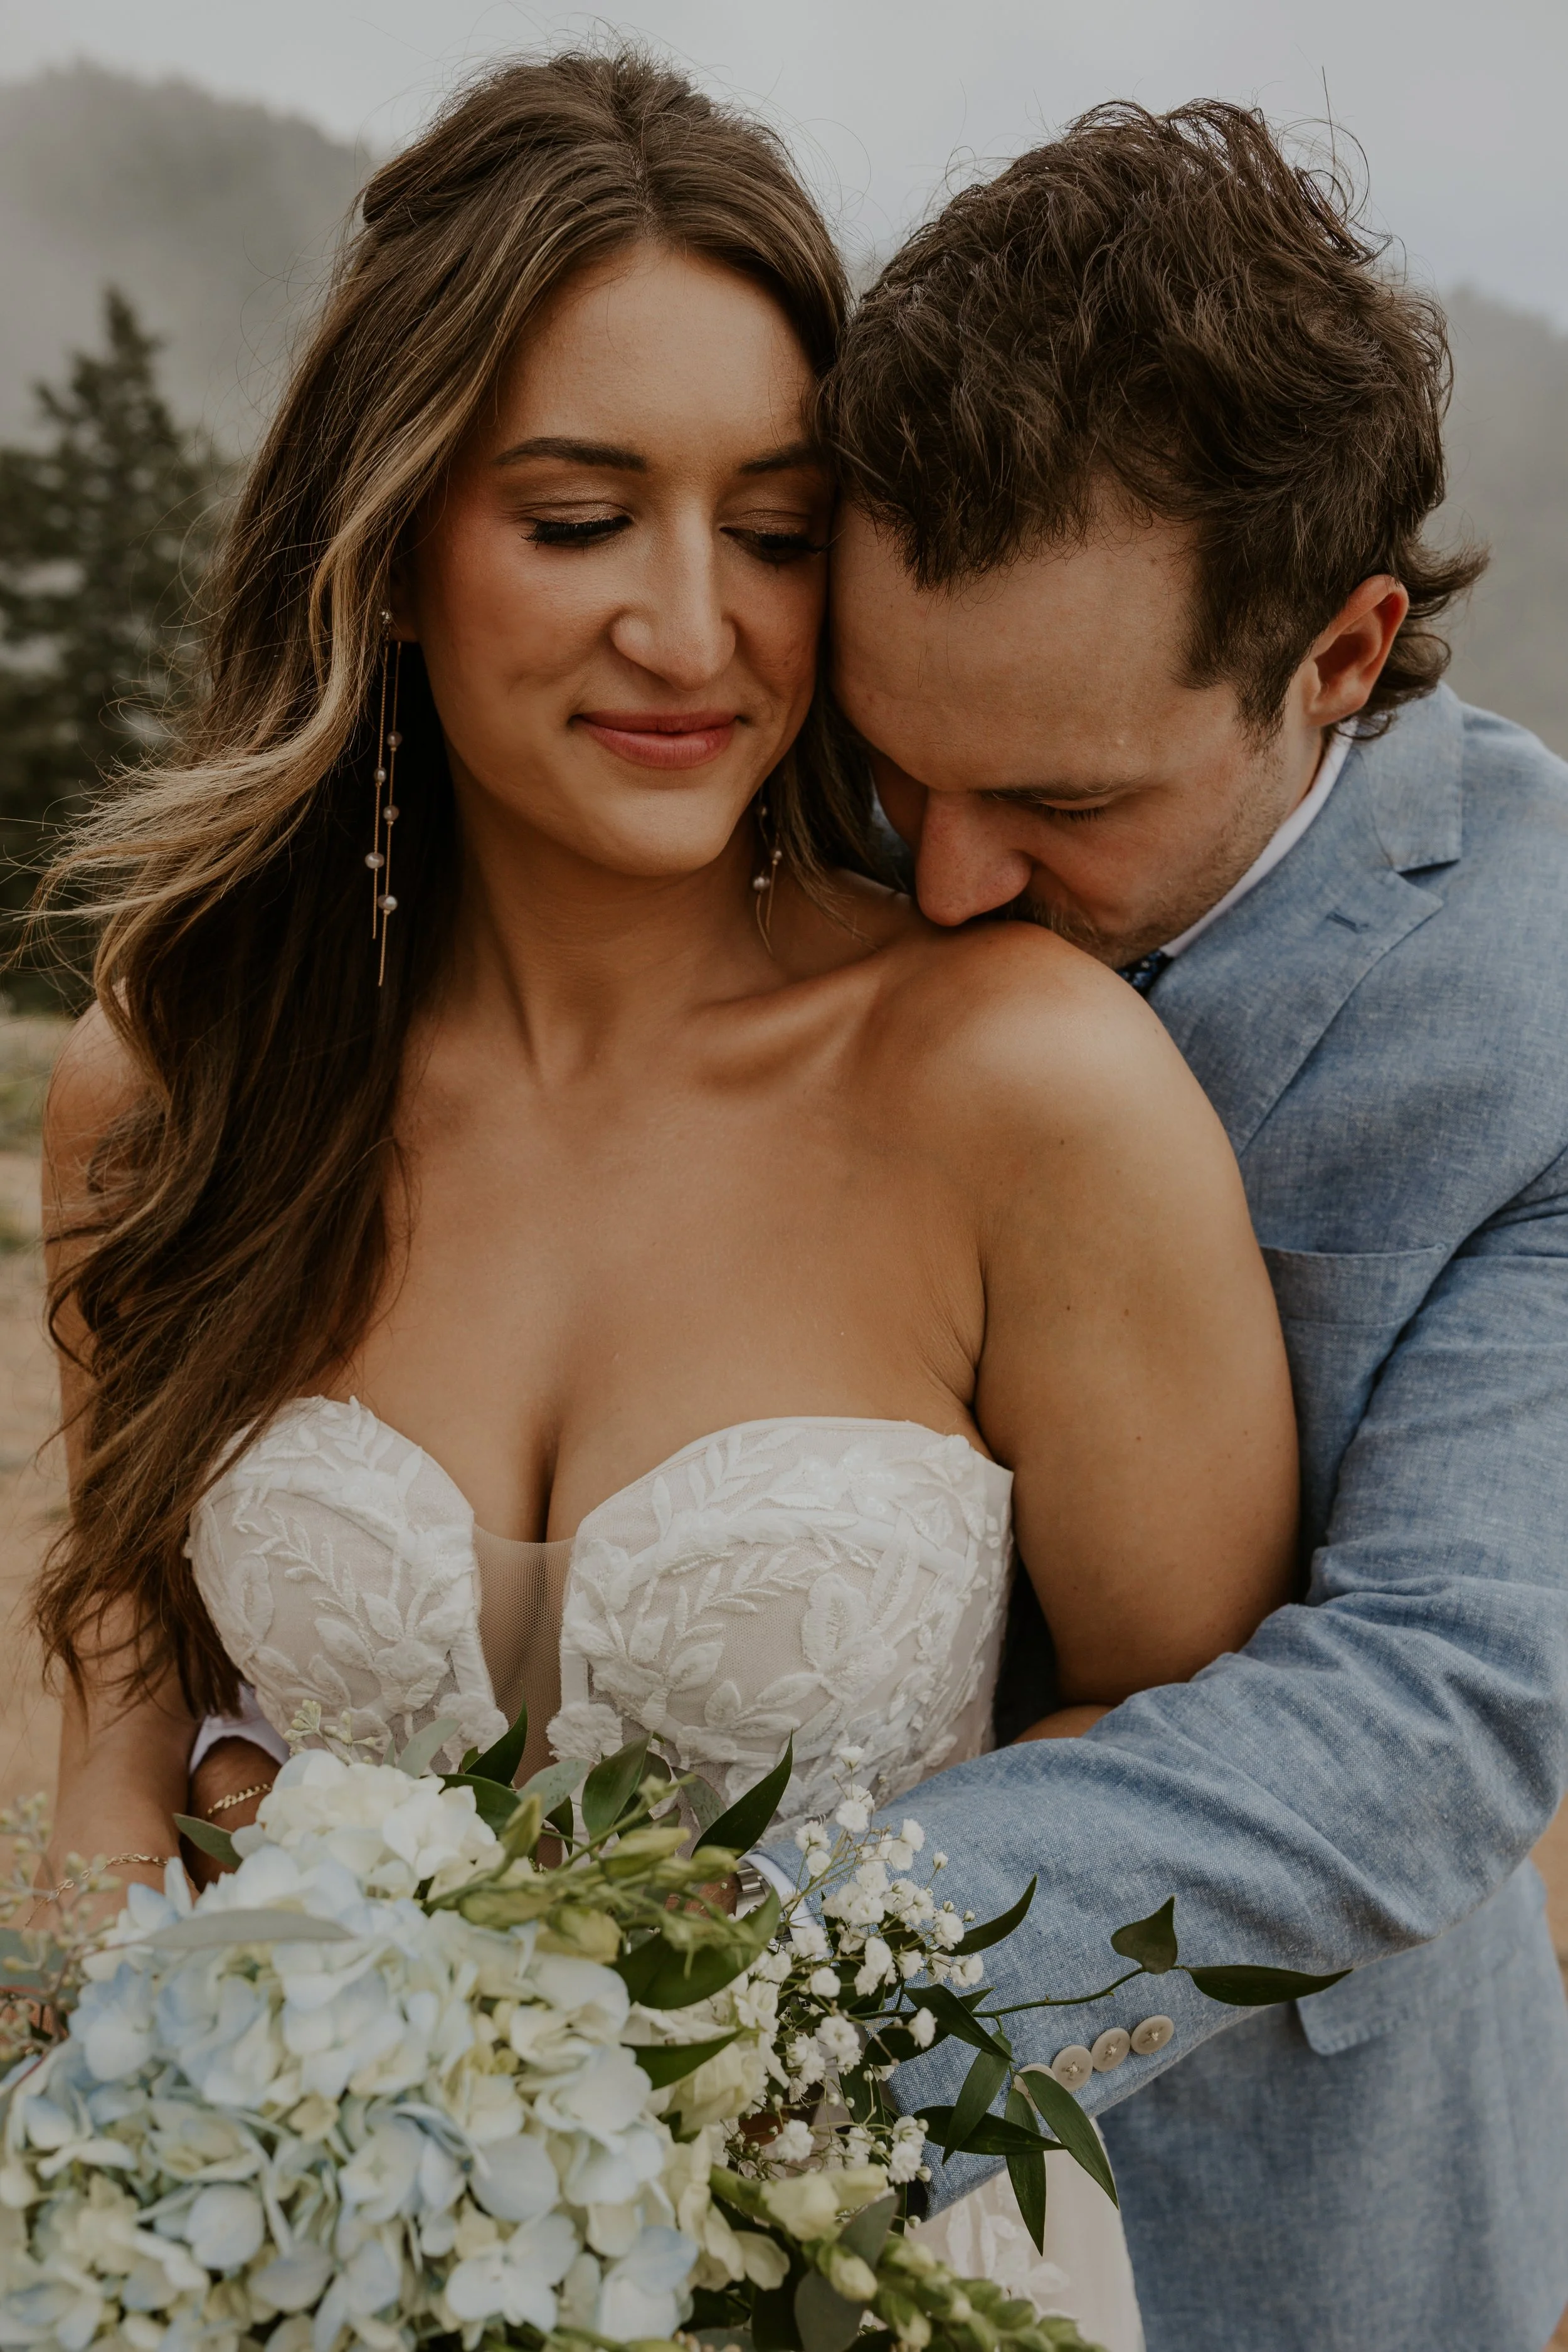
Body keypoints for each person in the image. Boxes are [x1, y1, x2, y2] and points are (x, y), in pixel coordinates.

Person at [36, 53, 1295, 2351]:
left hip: (877, 2277)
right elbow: (130, 1744)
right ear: (390, 544)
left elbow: (1197, 1779)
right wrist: (110, 2155)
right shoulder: (173, 1091)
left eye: (778, 530)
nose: (695, 630)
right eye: (579, 517)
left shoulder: (1019, 1088)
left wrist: (705, 2085)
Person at [817, 99, 1568, 2352]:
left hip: (1295, 2215)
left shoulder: (1545, 987)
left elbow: (1439, 1698)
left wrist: (760, 1987)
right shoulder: (757, 796)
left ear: (1339, 651)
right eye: (891, 772)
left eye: (1057, 801)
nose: (944, 882)